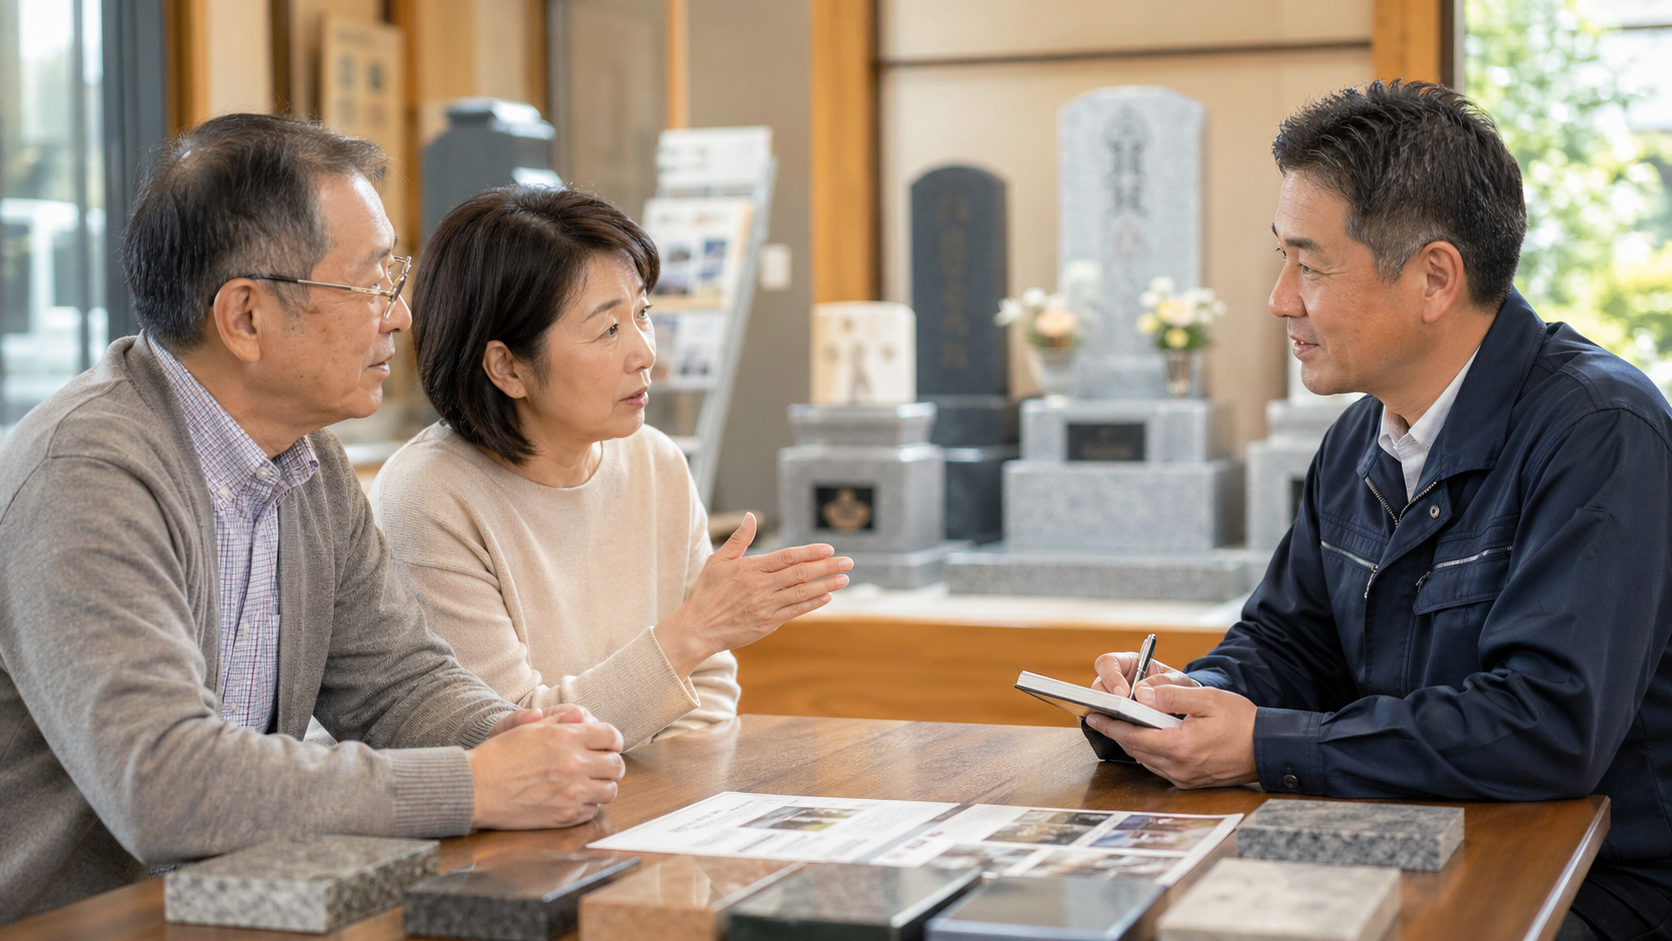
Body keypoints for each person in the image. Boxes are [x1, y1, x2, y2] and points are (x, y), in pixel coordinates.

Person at [0, 115, 626, 926]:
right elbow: (163, 782)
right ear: (247, 317)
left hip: (235, 907)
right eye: (372, 284)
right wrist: (478, 783)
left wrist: (525, 737)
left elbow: (398, 684)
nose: (399, 316)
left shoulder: (307, 457)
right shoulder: (86, 472)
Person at [1085, 82, 1672, 941]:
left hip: (1595, 881)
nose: (1281, 298)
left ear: (1435, 276)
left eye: (1310, 264)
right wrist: (1186, 698)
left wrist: (1265, 745)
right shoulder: (1363, 434)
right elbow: (1289, 641)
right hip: (1405, 837)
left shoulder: (1600, 431)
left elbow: (1548, 727)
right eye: (1281, 258)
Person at [368, 185, 852, 749]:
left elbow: (707, 695)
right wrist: (693, 631)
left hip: (631, 809)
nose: (645, 351)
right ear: (507, 367)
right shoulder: (428, 496)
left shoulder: (655, 461)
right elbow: (506, 736)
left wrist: (658, 816)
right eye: (608, 329)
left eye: (642, 313)